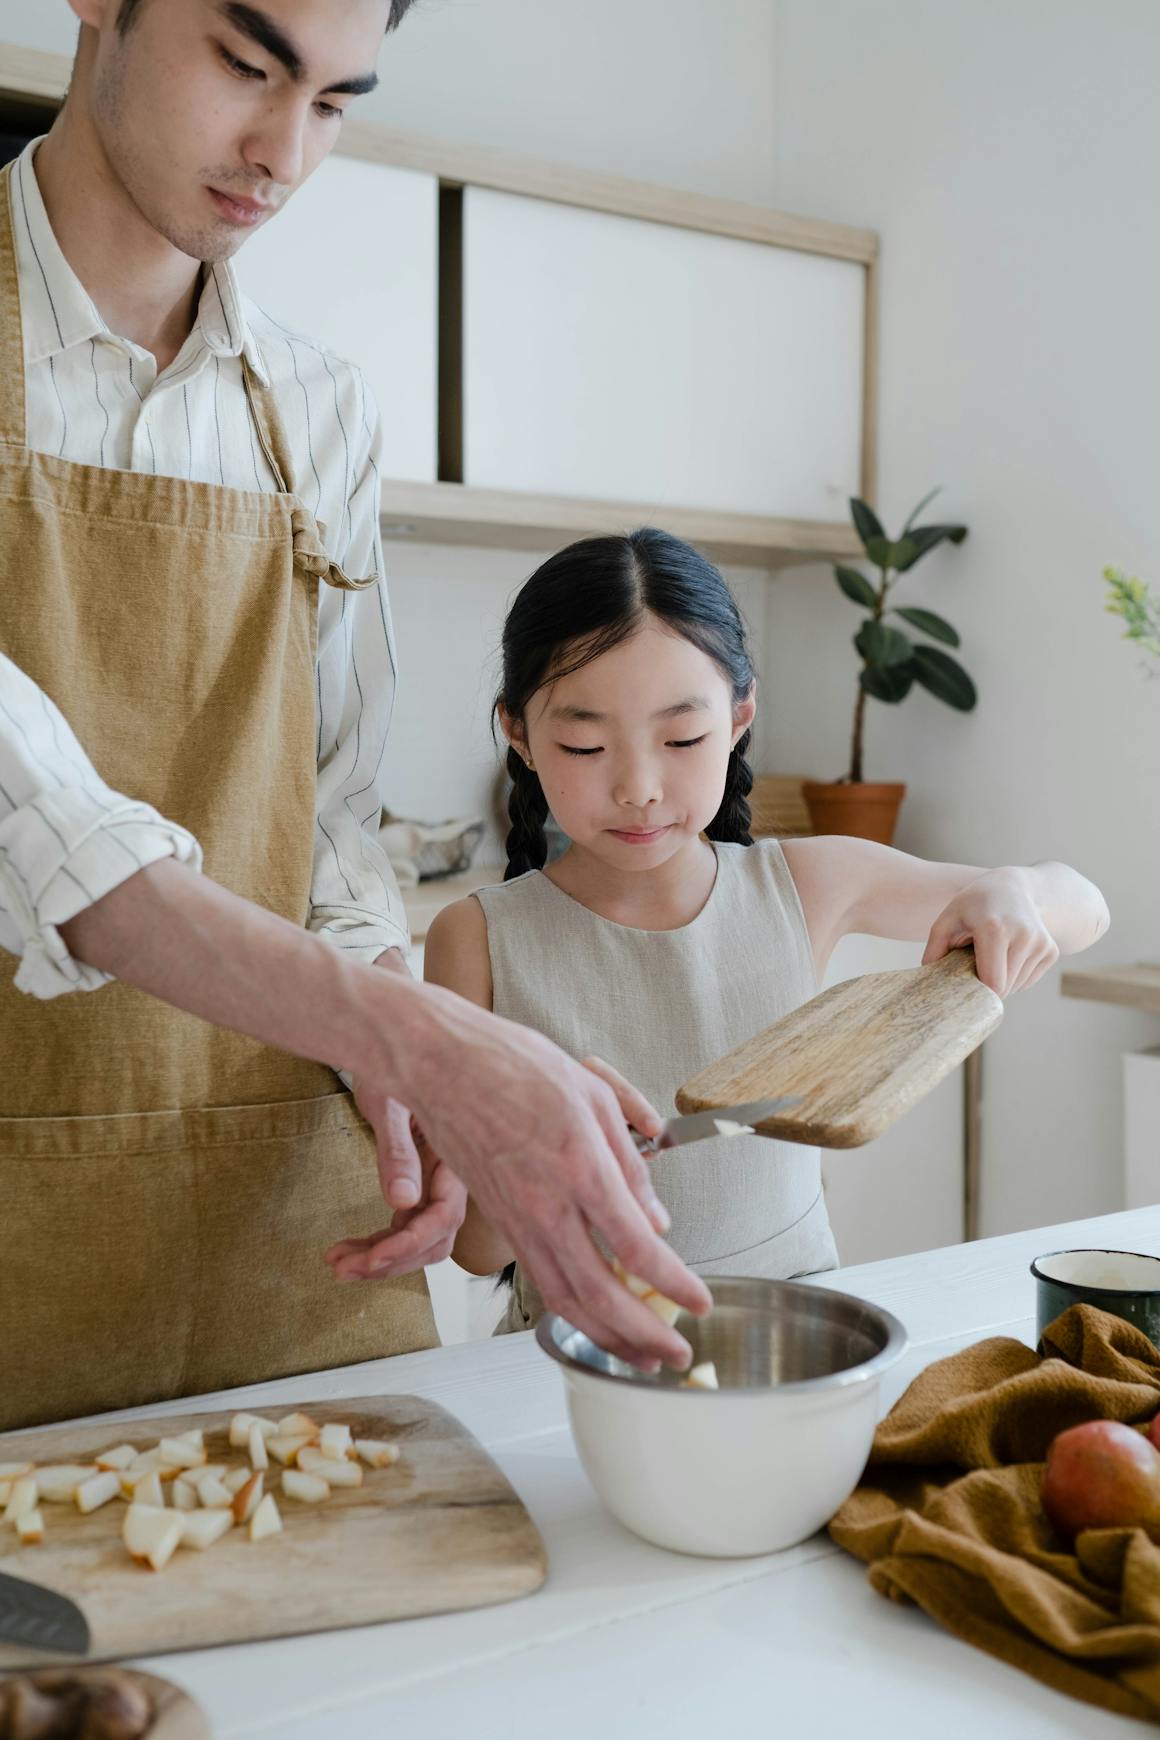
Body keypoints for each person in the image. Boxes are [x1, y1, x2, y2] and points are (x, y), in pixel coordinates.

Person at [0, 0, 710, 1433]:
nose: (280, 154)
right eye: (247, 65)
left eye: (333, 102)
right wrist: (417, 1037)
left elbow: (327, 820)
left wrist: (396, 1050)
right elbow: (40, 826)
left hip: (273, 1222)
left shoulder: (317, 412)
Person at [423, 528, 1111, 1329]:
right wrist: (536, 1166)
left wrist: (1013, 893)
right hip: (573, 1362)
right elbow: (473, 1250)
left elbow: (1084, 905)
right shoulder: (476, 938)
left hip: (796, 1339)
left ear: (741, 715)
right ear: (520, 735)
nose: (639, 787)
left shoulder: (807, 885)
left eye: (682, 739)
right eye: (585, 744)